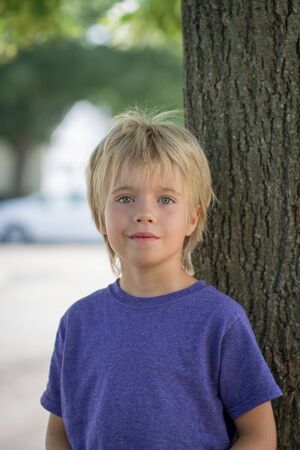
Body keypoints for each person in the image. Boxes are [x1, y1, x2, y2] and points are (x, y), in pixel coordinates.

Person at [40, 108, 283, 450]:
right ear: (99, 215)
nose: (144, 214)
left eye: (166, 199)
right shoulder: (78, 322)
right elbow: (58, 434)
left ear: (192, 219)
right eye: (125, 198)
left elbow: (258, 435)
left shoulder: (219, 320)